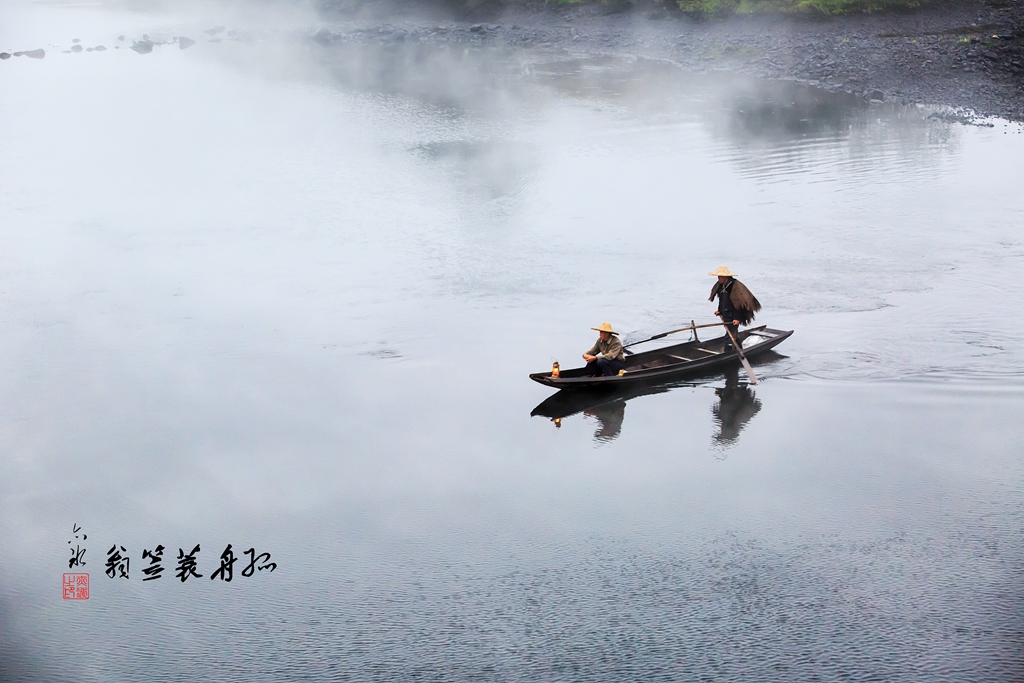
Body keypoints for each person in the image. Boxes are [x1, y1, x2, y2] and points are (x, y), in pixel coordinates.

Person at [708, 266, 761, 349]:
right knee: (733, 333)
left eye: (720, 276)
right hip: (726, 314)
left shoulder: (734, 286)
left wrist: (736, 319)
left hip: (733, 316)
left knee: (729, 336)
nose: (718, 278)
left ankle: (728, 351)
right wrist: (719, 310)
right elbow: (721, 299)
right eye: (718, 276)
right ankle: (739, 348)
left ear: (726, 277)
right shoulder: (721, 285)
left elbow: (738, 304)